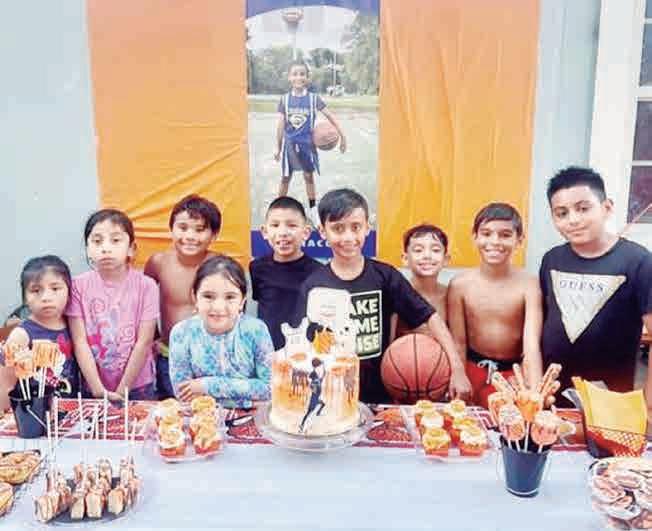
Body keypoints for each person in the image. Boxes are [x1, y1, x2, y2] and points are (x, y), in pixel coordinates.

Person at [294, 188, 471, 404]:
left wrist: (457, 369)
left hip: (380, 394)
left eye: (356, 227)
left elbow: (430, 316)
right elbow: (302, 344)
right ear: (322, 231)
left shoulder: (385, 276)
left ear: (367, 227)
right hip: (332, 393)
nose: (348, 237)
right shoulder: (313, 285)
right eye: (338, 228)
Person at [539, 167, 652, 405]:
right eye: (562, 213)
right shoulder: (551, 259)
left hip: (610, 399)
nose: (573, 220)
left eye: (583, 208)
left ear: (607, 208)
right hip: (552, 397)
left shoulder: (639, 261)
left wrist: (648, 403)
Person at [447, 204, 543, 408]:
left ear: (519, 240)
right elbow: (458, 343)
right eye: (486, 233)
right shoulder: (459, 285)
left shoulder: (530, 284)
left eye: (505, 235)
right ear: (475, 237)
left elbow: (531, 346)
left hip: (513, 376)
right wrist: (459, 377)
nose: (495, 242)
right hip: (472, 371)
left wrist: (534, 392)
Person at [67, 209, 159, 401]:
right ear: (87, 248)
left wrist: (123, 390)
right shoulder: (77, 286)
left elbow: (144, 342)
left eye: (115, 240)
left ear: (131, 248)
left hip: (138, 385)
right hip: (93, 386)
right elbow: (80, 341)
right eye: (97, 241)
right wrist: (97, 388)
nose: (105, 248)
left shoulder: (147, 286)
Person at [169, 255, 273, 408]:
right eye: (208, 296)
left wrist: (206, 385)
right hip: (202, 417)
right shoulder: (182, 333)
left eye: (230, 297)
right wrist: (249, 399)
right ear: (195, 298)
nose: (218, 307)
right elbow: (183, 394)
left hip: (252, 417)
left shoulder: (256, 331)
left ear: (242, 301)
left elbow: (270, 388)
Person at [144, 194, 221, 399]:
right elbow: (143, 305)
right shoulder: (158, 263)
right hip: (169, 355)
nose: (190, 236)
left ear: (214, 235)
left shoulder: (220, 266)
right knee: (173, 410)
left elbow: (235, 311)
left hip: (210, 358)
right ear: (171, 229)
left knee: (208, 411)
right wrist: (153, 338)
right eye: (183, 227)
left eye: (200, 229)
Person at [273, 60, 347, 224]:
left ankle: (313, 210)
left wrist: (343, 136)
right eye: (295, 74)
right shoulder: (284, 100)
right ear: (289, 77)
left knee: (309, 177)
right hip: (290, 146)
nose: (298, 77)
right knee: (285, 178)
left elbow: (330, 116)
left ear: (307, 78)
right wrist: (277, 147)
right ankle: (277, 210)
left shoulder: (313, 99)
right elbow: (280, 125)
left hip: (307, 145)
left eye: (302, 74)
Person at [1, 256, 80, 402]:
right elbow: (5, 387)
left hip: (72, 409)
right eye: (36, 290)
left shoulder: (75, 326)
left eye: (55, 288)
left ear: (69, 292)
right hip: (34, 411)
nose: (46, 297)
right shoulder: (21, 335)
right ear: (25, 298)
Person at [250, 196, 322, 350]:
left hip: (305, 353)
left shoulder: (319, 273)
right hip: (267, 352)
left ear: (306, 232)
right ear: (264, 231)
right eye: (275, 225)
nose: (283, 232)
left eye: (292, 225)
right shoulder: (257, 268)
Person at [390, 224, 450, 342]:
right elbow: (388, 343)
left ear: (446, 259)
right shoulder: (397, 296)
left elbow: (459, 341)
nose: (427, 256)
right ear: (405, 259)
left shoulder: (451, 296)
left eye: (435, 250)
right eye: (418, 250)